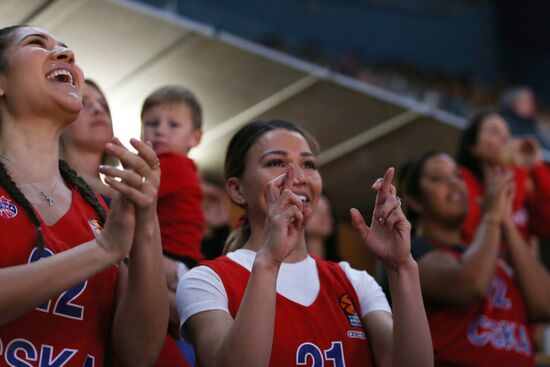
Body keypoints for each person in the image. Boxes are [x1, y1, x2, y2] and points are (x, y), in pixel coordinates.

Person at [177, 119, 433, 367]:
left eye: (309, 164)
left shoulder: (355, 282)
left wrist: (401, 266)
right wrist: (268, 261)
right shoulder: (206, 280)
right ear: (237, 190)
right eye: (276, 162)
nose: (298, 176)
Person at [0, 25, 168, 366]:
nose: (67, 55)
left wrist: (146, 219)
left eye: (66, 48)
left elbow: (138, 355)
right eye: (36, 43)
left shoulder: (101, 211)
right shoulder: (106, 238)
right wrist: (103, 250)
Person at [399, 150, 550, 366]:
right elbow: (471, 285)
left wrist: (505, 219)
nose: (453, 183)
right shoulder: (408, 252)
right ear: (415, 200)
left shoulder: (488, 252)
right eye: (437, 178)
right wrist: (491, 215)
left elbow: (545, 307)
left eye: (457, 176)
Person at [141, 85, 206, 366]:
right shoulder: (185, 167)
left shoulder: (169, 165)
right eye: (151, 124)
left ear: (196, 137)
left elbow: (130, 196)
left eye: (173, 124)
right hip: (184, 259)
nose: (160, 131)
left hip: (170, 257)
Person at [457, 109, 550, 244]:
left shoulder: (520, 177)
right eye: (494, 131)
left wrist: (537, 166)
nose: (505, 138)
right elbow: (473, 234)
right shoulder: (462, 182)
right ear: (474, 147)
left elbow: (546, 226)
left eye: (507, 132)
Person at [60, 79, 117, 201]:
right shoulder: (49, 191)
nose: (99, 109)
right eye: (83, 103)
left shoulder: (122, 197)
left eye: (104, 105)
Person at [305, 193, 340, 261]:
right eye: (316, 211)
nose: (324, 217)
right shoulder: (286, 267)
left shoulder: (339, 268)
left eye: (328, 212)